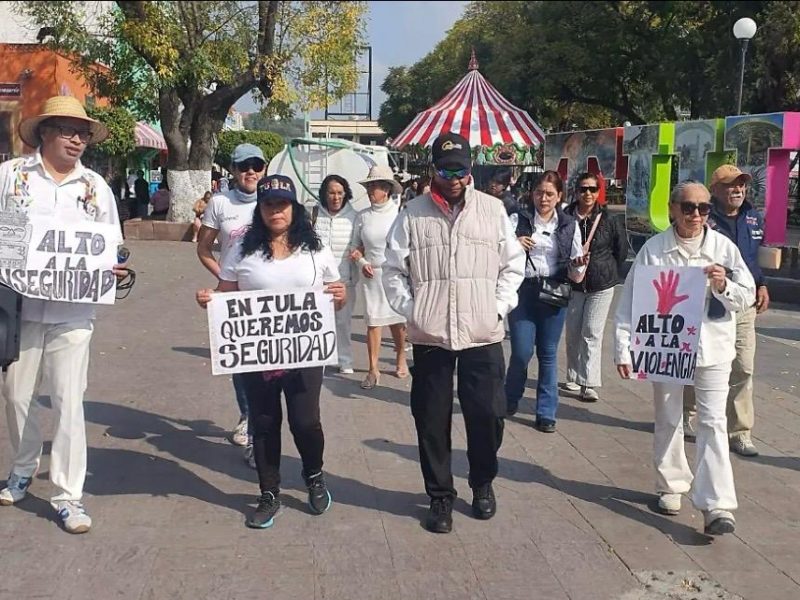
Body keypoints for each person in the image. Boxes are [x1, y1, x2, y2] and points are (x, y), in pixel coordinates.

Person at [384, 132, 525, 533]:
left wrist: (498, 307)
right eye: (447, 169)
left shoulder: (493, 210)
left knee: (489, 415)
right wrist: (413, 311)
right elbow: (393, 270)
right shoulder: (412, 213)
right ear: (434, 170)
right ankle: (440, 497)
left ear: (470, 169)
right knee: (431, 420)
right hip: (432, 337)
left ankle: (482, 483)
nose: (455, 177)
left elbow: (513, 266)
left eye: (461, 169)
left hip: (483, 333)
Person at [0, 95, 127, 533]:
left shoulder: (95, 187)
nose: (78, 140)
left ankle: (68, 495)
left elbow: (113, 243)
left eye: (84, 133)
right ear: (46, 133)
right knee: (16, 397)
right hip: (18, 309)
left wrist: (116, 264)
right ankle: (23, 466)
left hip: (74, 312)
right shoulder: (11, 177)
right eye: (70, 131)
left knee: (69, 402)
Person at [195, 175, 347, 529]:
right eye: (268, 204)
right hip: (257, 353)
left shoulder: (316, 249)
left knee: (305, 420)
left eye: (282, 204)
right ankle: (269, 492)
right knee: (263, 423)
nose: (275, 210)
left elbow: (332, 299)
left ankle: (314, 476)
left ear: (294, 208)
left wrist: (340, 299)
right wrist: (210, 301)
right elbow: (226, 294)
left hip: (304, 351)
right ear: (259, 209)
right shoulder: (240, 251)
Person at [614, 181, 755, 535]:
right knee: (668, 416)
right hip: (666, 348)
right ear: (673, 208)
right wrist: (623, 347)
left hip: (713, 348)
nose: (696, 215)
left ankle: (717, 504)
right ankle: (671, 485)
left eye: (704, 208)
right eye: (689, 207)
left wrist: (724, 286)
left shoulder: (723, 248)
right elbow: (631, 302)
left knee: (713, 422)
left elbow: (746, 296)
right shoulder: (653, 250)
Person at [684, 165, 769, 457]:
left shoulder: (753, 217)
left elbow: (754, 258)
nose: (738, 190)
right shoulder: (703, 218)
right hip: (708, 303)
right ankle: (687, 412)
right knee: (700, 361)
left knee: (744, 366)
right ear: (715, 189)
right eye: (732, 185)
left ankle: (740, 431)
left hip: (742, 303)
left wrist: (762, 285)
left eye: (742, 185)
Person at [196, 144, 267, 467]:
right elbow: (204, 249)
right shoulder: (220, 203)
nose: (250, 171)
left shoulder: (273, 198)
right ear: (233, 170)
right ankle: (248, 416)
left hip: (270, 296)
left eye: (256, 165)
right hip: (234, 298)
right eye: (243, 166)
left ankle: (261, 431)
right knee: (241, 364)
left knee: (268, 365)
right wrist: (225, 280)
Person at [505, 171, 588, 431]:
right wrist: (515, 244)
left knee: (548, 353)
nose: (544, 198)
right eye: (540, 192)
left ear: (559, 196)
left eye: (550, 194)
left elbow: (576, 271)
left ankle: (546, 412)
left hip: (554, 291)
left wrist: (578, 265)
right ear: (533, 194)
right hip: (523, 291)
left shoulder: (568, 224)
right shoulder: (518, 218)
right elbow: (499, 251)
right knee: (521, 352)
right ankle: (510, 398)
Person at [562, 172, 628, 401]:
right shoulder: (566, 217)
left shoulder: (609, 219)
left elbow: (621, 251)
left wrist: (606, 269)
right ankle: (573, 374)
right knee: (573, 331)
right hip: (573, 283)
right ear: (576, 191)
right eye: (583, 188)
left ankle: (588, 382)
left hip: (601, 284)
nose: (587, 193)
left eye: (592, 189)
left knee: (591, 332)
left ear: (599, 192)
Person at [349, 165, 408, 389]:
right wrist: (362, 262)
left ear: (386, 189)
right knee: (373, 322)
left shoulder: (400, 214)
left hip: (394, 274)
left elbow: (407, 246)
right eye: (370, 186)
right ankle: (373, 369)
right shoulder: (362, 216)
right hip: (371, 275)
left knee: (397, 322)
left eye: (375, 186)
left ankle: (400, 355)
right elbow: (355, 247)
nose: (371, 190)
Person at [312, 175, 359, 374]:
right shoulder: (313, 214)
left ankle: (345, 360)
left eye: (340, 193)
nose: (336, 197)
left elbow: (359, 245)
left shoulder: (354, 217)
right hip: (317, 281)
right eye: (331, 193)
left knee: (342, 322)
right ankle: (320, 358)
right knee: (318, 322)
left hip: (344, 279)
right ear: (324, 194)